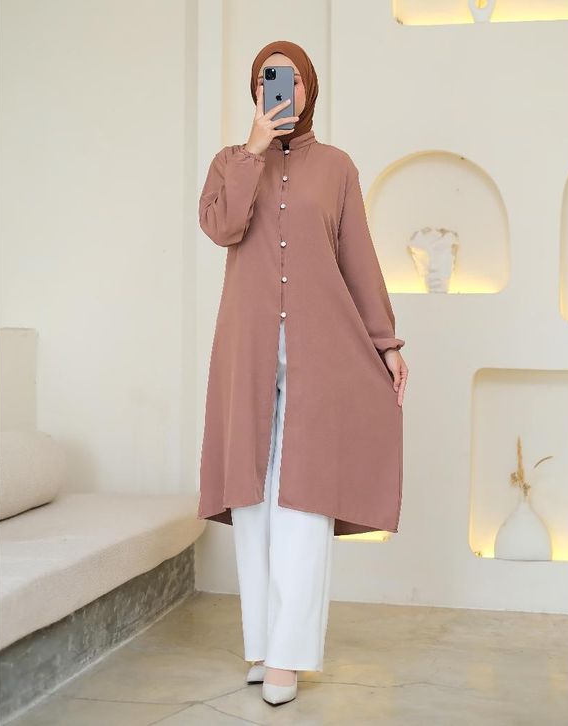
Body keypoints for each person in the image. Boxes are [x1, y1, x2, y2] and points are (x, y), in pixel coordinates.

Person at [197, 40, 409, 706]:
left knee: (305, 502)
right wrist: (253, 150)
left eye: (291, 80)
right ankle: (262, 647)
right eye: (270, 79)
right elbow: (221, 227)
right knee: (253, 500)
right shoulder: (231, 163)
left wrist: (386, 344)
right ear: (255, 89)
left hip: (326, 357)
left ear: (309, 88)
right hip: (247, 354)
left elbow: (358, 258)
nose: (282, 89)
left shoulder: (337, 168)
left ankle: (289, 656)